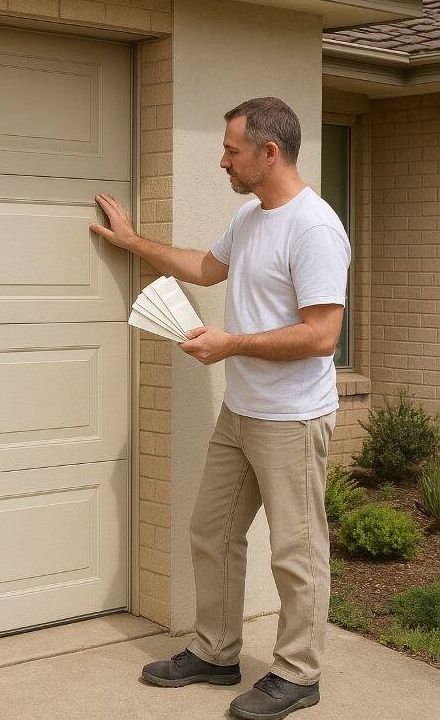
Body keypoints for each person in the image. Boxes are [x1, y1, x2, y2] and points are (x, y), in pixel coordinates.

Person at [90, 97, 350, 720]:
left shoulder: (314, 228)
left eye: (232, 150)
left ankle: (298, 672)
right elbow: (206, 269)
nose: (223, 161)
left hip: (292, 418)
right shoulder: (253, 217)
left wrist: (230, 343)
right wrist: (133, 244)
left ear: (269, 152)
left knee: (296, 551)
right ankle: (215, 651)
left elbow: (322, 336)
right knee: (212, 531)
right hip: (242, 413)